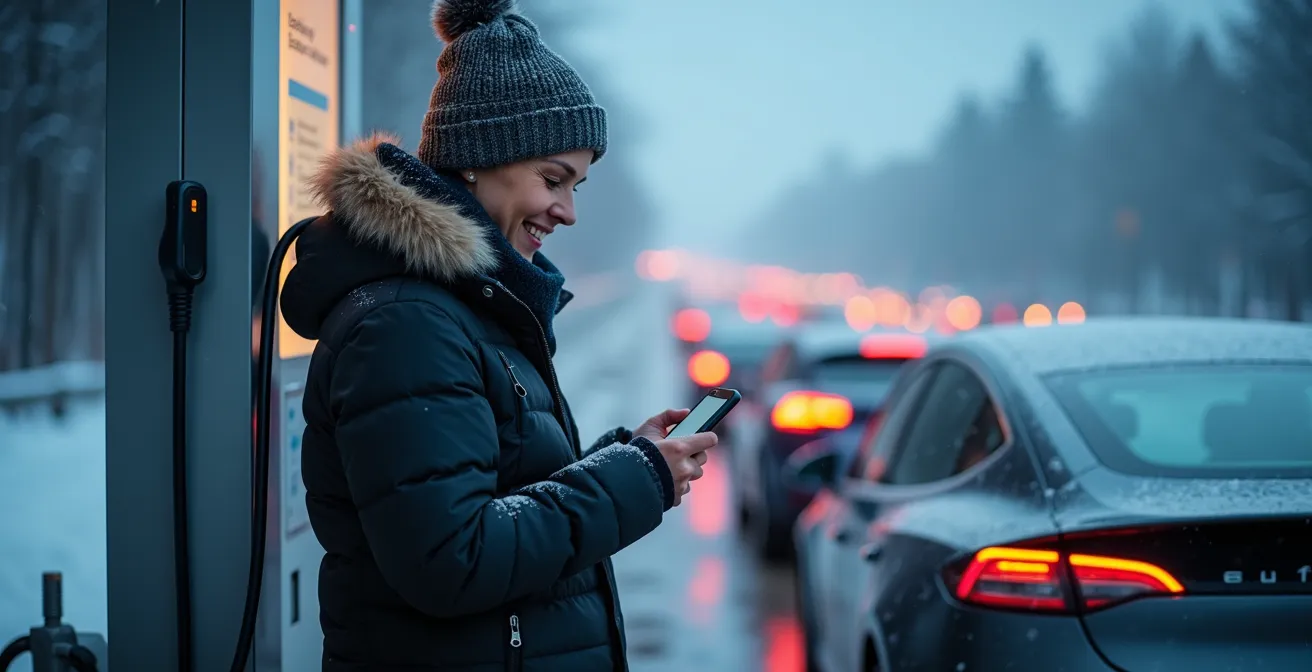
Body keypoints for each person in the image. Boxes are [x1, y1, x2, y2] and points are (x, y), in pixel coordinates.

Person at [278, 1, 717, 670]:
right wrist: (637, 482)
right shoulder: (406, 325)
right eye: (554, 180)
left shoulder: (461, 309)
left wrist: (625, 458)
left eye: (577, 185)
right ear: (482, 157)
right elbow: (454, 559)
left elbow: (496, 490)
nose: (568, 211)